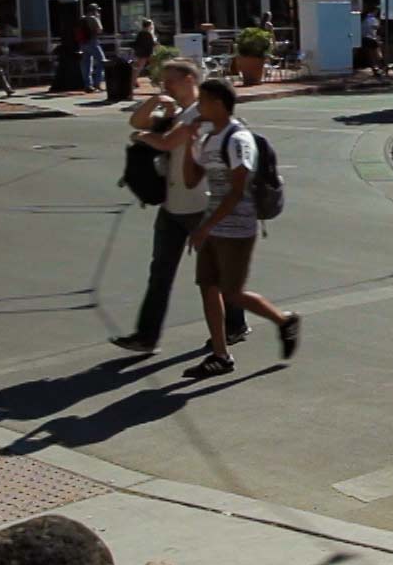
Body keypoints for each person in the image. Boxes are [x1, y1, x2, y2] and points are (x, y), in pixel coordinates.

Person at [111, 60, 250, 355]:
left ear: (189, 79)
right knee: (160, 271)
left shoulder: (204, 112)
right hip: (173, 205)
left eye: (170, 81)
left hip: (201, 204)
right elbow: (136, 122)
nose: (166, 86)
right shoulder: (177, 112)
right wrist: (153, 102)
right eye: (162, 82)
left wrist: (144, 137)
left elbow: (164, 142)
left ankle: (235, 325)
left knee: (217, 273)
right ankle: (147, 336)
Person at [181, 78, 300, 378]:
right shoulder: (210, 140)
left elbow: (237, 190)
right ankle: (220, 355)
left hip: (236, 229)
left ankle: (284, 321)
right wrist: (188, 143)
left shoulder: (238, 139)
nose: (199, 108)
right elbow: (191, 180)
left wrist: (205, 227)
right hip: (212, 226)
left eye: (203, 102)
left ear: (219, 104)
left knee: (232, 293)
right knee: (208, 288)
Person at [79, 4, 106, 92]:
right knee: (102, 61)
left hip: (83, 43)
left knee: (86, 64)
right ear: (93, 11)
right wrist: (98, 19)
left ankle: (88, 85)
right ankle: (97, 83)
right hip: (93, 42)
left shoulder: (82, 18)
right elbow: (100, 30)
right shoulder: (94, 18)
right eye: (97, 10)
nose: (98, 12)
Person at [131, 19, 157, 85]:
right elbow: (151, 44)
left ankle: (133, 80)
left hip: (140, 52)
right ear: (149, 26)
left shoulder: (141, 33)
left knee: (138, 67)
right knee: (142, 67)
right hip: (145, 53)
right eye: (151, 25)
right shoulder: (148, 33)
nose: (152, 26)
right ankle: (133, 81)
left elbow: (136, 43)